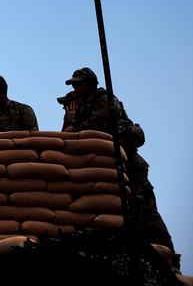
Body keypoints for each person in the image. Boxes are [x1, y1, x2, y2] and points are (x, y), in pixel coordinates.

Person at [58, 67, 176, 257]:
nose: (75, 89)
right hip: (110, 170)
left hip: (129, 168)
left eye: (78, 85)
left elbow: (85, 133)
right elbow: (67, 144)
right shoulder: (85, 108)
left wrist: (72, 122)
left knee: (144, 213)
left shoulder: (104, 101)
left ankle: (168, 257)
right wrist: (68, 120)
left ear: (89, 84)